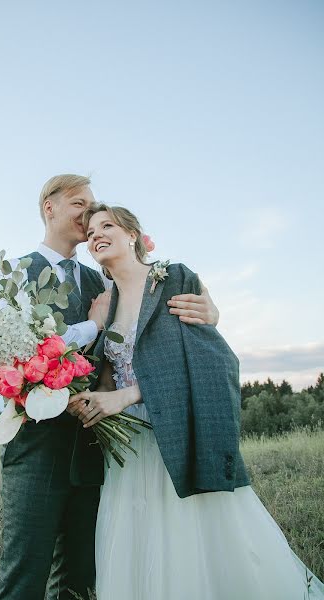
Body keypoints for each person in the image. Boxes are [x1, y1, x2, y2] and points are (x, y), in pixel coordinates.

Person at [68, 203, 324, 600]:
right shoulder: (105, 302)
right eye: (90, 232)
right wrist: (89, 399)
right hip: (130, 447)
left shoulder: (173, 279)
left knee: (197, 532)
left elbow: (209, 358)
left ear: (132, 234)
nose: (96, 234)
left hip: (179, 429)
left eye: (107, 225)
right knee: (140, 535)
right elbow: (108, 378)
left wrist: (130, 394)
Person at [0, 176, 220, 600]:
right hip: (37, 446)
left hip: (100, 448)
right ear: (50, 207)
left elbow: (151, 323)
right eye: (79, 203)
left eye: (95, 208)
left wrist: (211, 309)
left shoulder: (103, 280)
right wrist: (92, 325)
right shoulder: (14, 275)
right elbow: (16, 352)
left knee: (81, 575)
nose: (89, 215)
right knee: (24, 573)